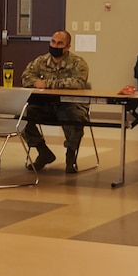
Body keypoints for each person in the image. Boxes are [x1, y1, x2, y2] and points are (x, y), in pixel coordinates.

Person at [21, 30, 90, 174]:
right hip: (44, 105)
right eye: (53, 42)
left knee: (76, 118)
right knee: (21, 117)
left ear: (68, 47)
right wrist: (35, 83)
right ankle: (43, 152)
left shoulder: (78, 63)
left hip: (68, 105)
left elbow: (78, 83)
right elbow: (26, 77)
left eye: (60, 43)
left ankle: (71, 156)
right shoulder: (40, 61)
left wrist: (47, 83)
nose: (55, 45)